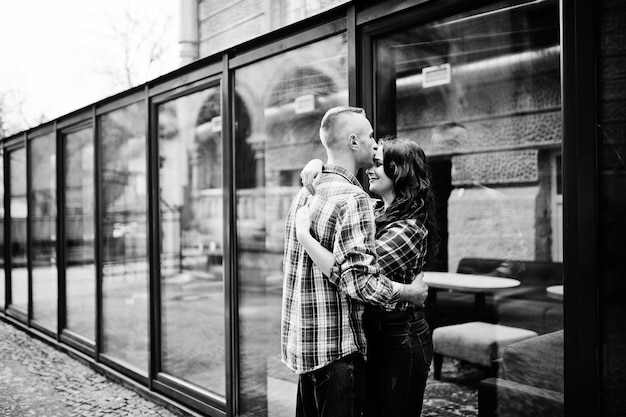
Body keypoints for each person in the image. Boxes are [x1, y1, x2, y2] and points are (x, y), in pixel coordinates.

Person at [281, 106, 429, 417]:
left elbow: (352, 267)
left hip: (319, 345)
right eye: (371, 138)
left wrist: (319, 165)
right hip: (337, 348)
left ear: (400, 174)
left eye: (384, 162)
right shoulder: (357, 200)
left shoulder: (305, 194)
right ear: (352, 141)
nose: (375, 150)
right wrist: (408, 293)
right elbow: (359, 280)